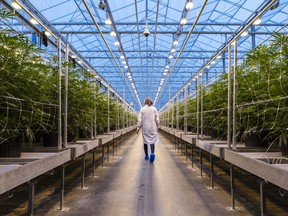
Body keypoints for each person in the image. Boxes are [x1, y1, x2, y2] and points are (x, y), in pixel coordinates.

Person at [136, 97, 159, 163]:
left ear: (145, 102)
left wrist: (138, 128)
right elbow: (157, 120)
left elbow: (140, 120)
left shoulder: (142, 109)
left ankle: (146, 156)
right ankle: (152, 153)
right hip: (153, 128)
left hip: (145, 128)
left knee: (145, 142)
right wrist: (158, 126)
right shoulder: (154, 109)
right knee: (152, 141)